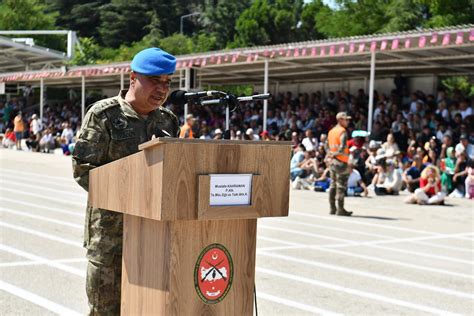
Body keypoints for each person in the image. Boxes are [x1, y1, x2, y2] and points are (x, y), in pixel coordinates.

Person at [72, 47, 180, 315]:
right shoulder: (104, 115)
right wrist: (132, 196)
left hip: (154, 235)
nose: (162, 89)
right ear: (132, 77)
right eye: (155, 80)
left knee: (148, 308)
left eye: (167, 82)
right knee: (105, 310)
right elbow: (84, 169)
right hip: (110, 236)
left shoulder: (167, 120)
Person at [325, 112, 352, 216]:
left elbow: (326, 145)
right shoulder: (342, 132)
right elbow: (342, 147)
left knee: (332, 185)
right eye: (346, 120)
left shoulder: (331, 131)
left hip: (332, 162)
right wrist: (335, 154)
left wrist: (330, 154)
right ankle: (340, 209)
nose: (348, 122)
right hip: (340, 161)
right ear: (340, 120)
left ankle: (332, 208)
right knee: (340, 186)